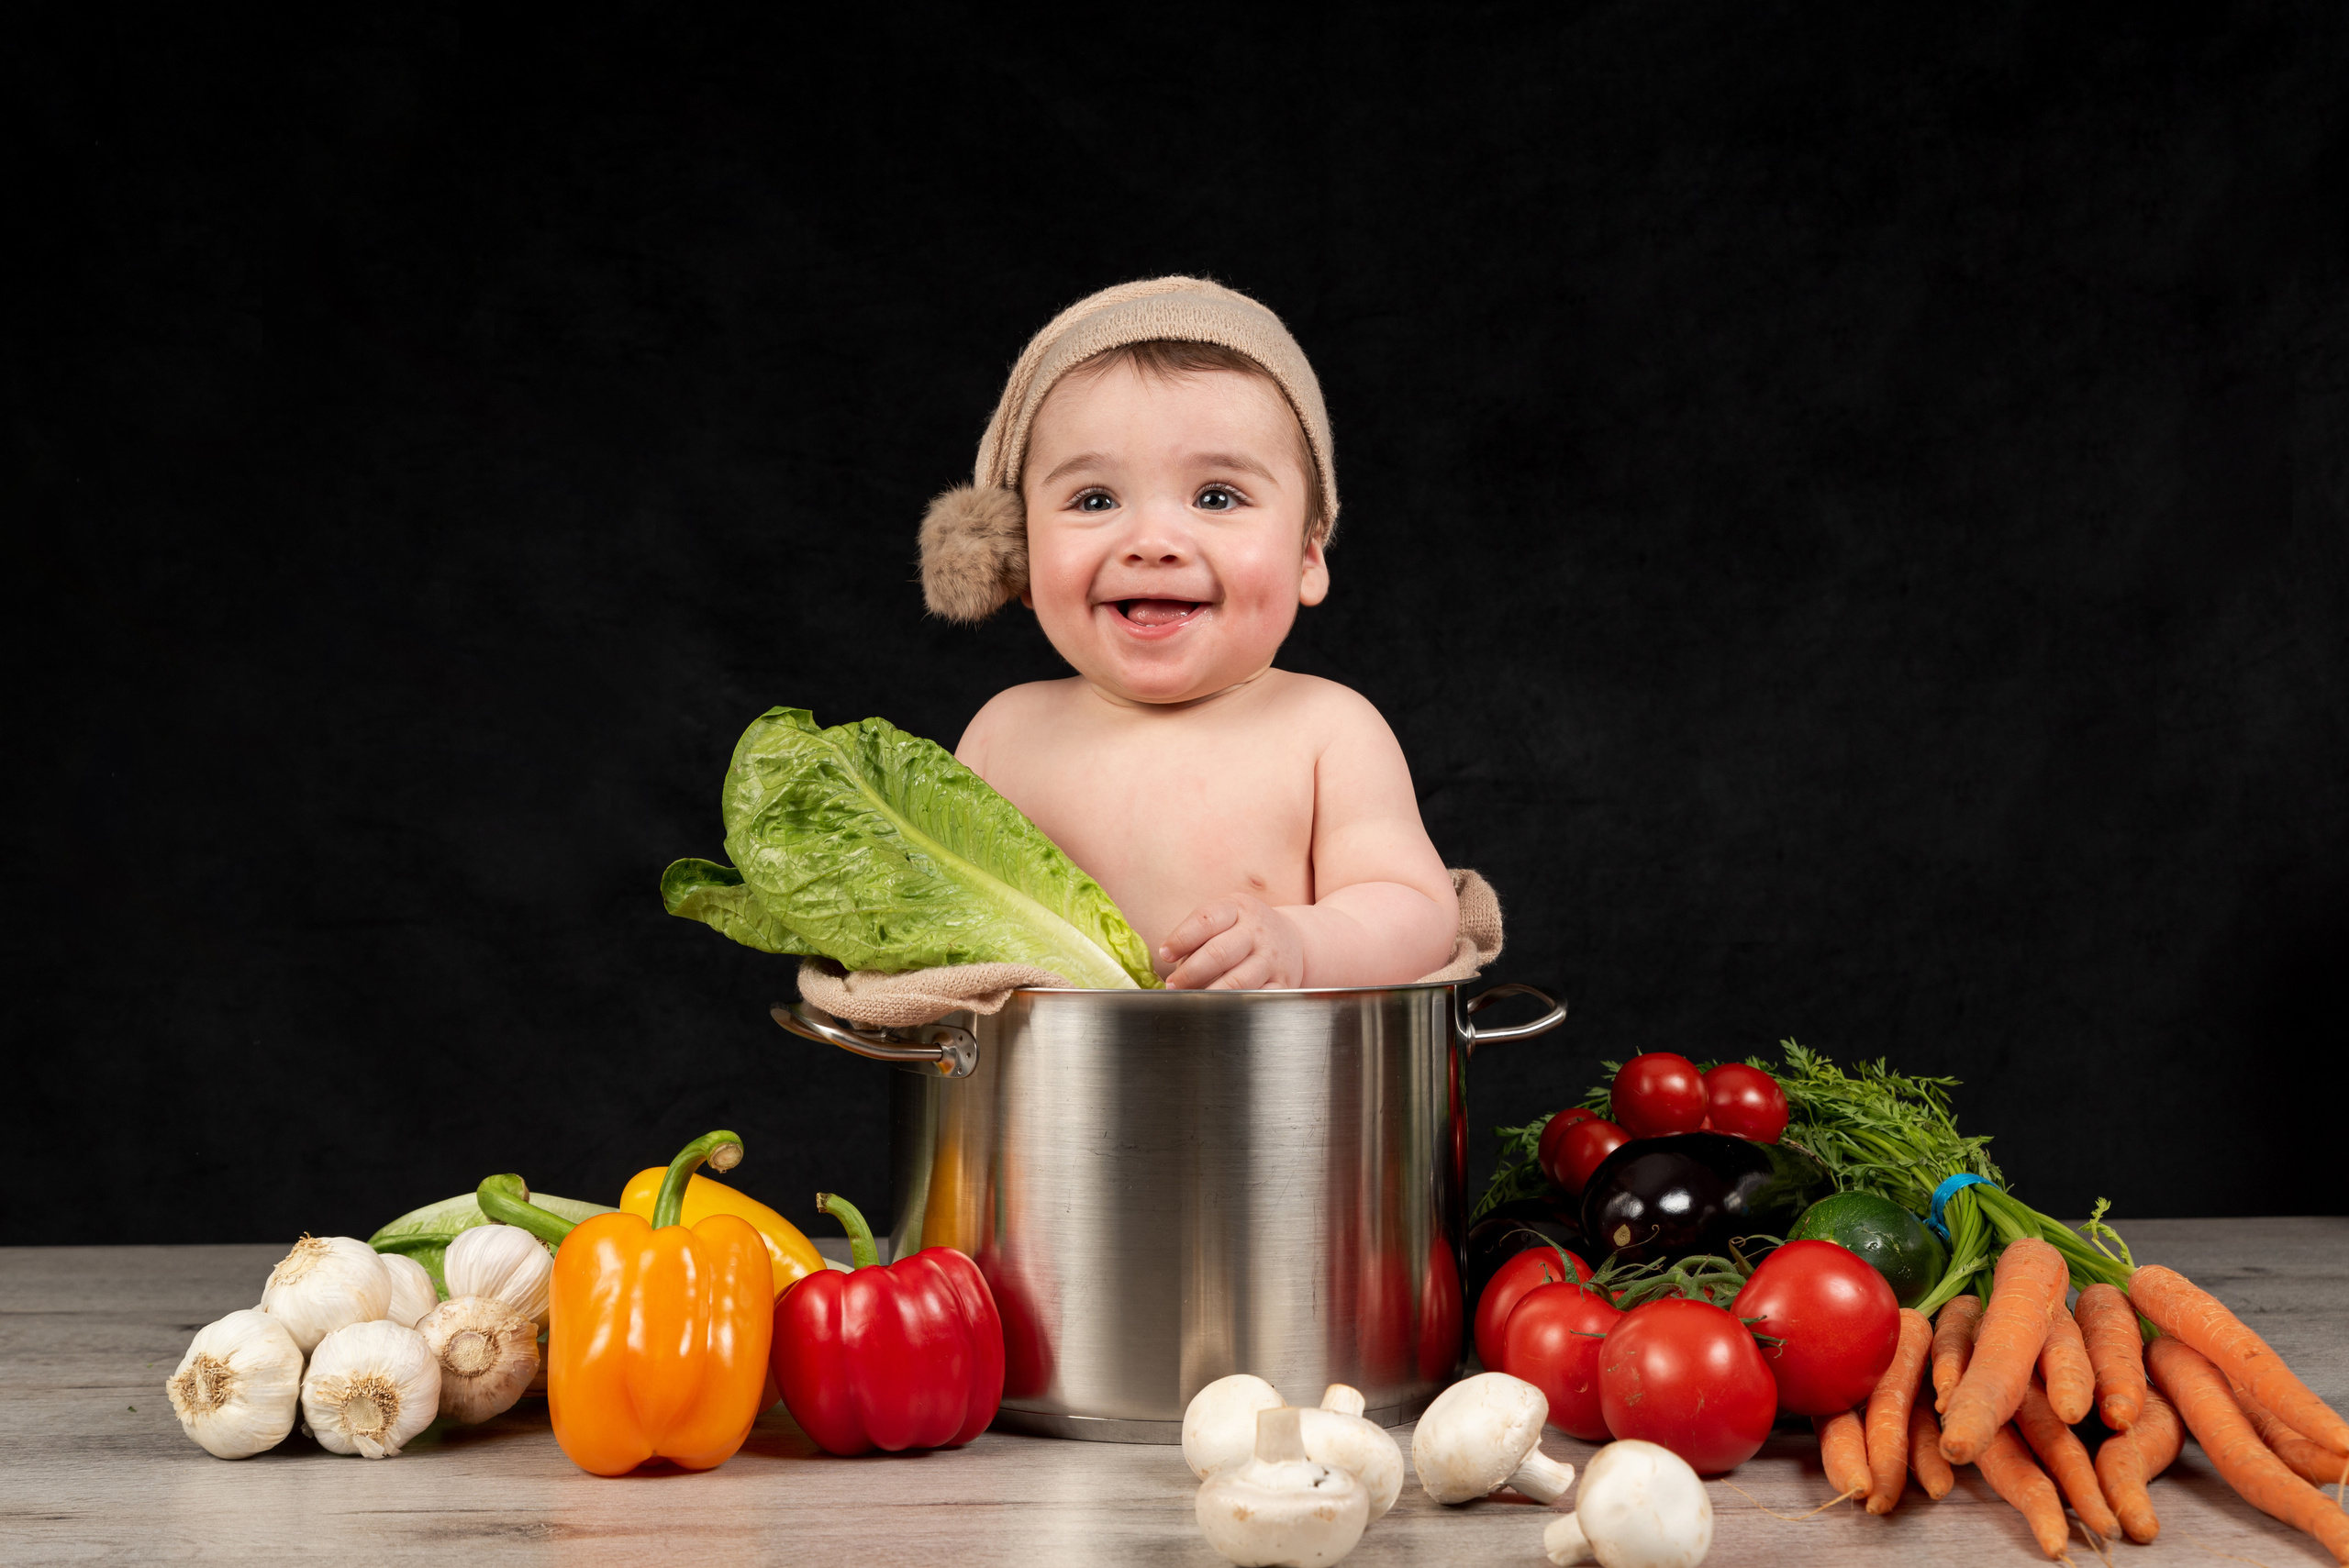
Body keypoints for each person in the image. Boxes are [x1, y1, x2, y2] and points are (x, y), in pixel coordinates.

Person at [919, 277, 1458, 990]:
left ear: (1307, 554)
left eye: (1216, 497)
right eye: (1095, 499)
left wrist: (1301, 942)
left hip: (1275, 1092)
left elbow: (1418, 910)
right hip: (1041, 1094)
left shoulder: (1330, 733)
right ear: (1019, 551)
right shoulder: (1002, 735)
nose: (1152, 541)